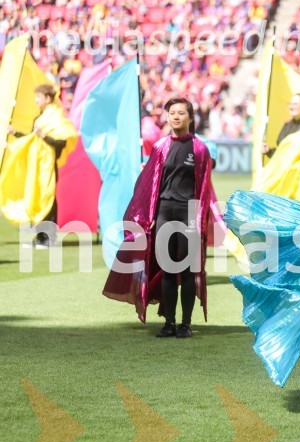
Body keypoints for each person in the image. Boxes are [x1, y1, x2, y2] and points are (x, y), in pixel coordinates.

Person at [102, 97, 214, 337]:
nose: (176, 117)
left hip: (189, 213)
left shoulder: (200, 149)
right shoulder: (160, 147)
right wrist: (148, 215)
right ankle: (169, 323)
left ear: (190, 117)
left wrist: (200, 221)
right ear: (167, 117)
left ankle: (186, 324)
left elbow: (205, 188)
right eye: (172, 113)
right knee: (168, 270)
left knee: (187, 270)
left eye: (181, 113)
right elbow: (148, 185)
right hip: (164, 212)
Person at [4, 83, 77, 247]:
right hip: (36, 166)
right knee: (36, 197)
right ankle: (40, 237)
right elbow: (32, 139)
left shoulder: (56, 118)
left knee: (48, 199)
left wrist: (44, 136)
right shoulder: (39, 118)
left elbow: (61, 143)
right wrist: (14, 132)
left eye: (38, 97)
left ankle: (49, 238)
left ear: (47, 98)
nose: (36, 100)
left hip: (48, 167)